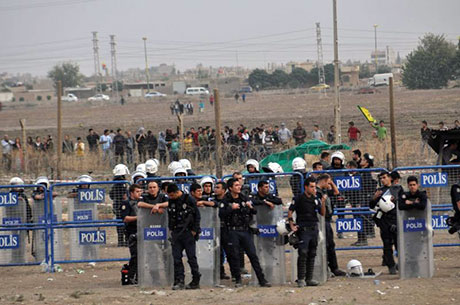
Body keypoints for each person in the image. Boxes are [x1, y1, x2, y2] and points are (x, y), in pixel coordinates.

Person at [219, 178, 271, 287]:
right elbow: (221, 214)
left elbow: (254, 212)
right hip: (232, 231)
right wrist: (231, 208)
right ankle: (238, 279)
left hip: (245, 230)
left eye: (239, 185)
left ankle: (262, 279)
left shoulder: (243, 197)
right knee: (234, 256)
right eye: (236, 185)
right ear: (230, 188)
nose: (239, 187)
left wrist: (250, 207)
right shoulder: (226, 200)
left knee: (252, 255)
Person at [288, 177, 326, 287]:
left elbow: (322, 213)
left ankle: (309, 278)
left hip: (313, 229)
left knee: (312, 253)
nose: (314, 189)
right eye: (312, 187)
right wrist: (291, 224)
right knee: (303, 253)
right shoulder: (299, 198)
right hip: (303, 230)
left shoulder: (315, 199)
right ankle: (301, 278)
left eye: (315, 186)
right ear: (306, 187)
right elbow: (290, 211)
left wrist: (323, 202)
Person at [163, 183, 201, 290]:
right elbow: (171, 216)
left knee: (191, 258)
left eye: (171, 195)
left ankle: (195, 280)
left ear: (176, 192)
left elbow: (197, 216)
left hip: (188, 233)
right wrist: (170, 229)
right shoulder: (172, 201)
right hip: (176, 233)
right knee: (176, 258)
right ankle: (179, 280)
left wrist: (194, 230)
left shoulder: (189, 200)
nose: (170, 198)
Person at [369, 171, 400, 274]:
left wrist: (395, 200)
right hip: (384, 221)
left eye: (384, 177)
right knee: (387, 244)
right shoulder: (379, 191)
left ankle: (402, 264)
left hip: (395, 219)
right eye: (381, 178)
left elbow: (402, 202)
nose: (383, 180)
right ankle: (391, 266)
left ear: (390, 178)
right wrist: (375, 197)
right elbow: (371, 205)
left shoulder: (397, 189)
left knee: (399, 243)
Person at [316, 174, 346, 276]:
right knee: (325, 245)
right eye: (328, 183)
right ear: (323, 181)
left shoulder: (324, 191)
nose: (329, 185)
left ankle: (334, 268)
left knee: (330, 244)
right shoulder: (317, 192)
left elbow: (336, 192)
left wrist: (331, 182)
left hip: (327, 220)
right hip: (321, 220)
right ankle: (327, 268)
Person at [120, 184, 142, 285]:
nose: (139, 193)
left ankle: (139, 276)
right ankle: (130, 276)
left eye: (140, 191)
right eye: (137, 191)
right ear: (132, 193)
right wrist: (139, 218)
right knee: (135, 255)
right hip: (132, 232)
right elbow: (125, 218)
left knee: (142, 255)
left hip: (142, 231)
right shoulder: (126, 203)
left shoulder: (141, 202)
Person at [213, 181, 232, 280]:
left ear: (224, 190)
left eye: (218, 187)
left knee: (230, 251)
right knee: (217, 251)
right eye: (215, 187)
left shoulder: (229, 200)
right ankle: (220, 272)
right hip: (215, 229)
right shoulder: (211, 199)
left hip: (227, 228)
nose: (215, 189)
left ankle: (235, 273)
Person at [110, 164, 130, 247]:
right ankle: (125, 241)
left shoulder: (115, 183)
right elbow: (125, 195)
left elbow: (111, 195)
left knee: (119, 224)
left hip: (117, 205)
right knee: (125, 224)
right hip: (123, 206)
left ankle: (120, 241)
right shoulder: (123, 183)